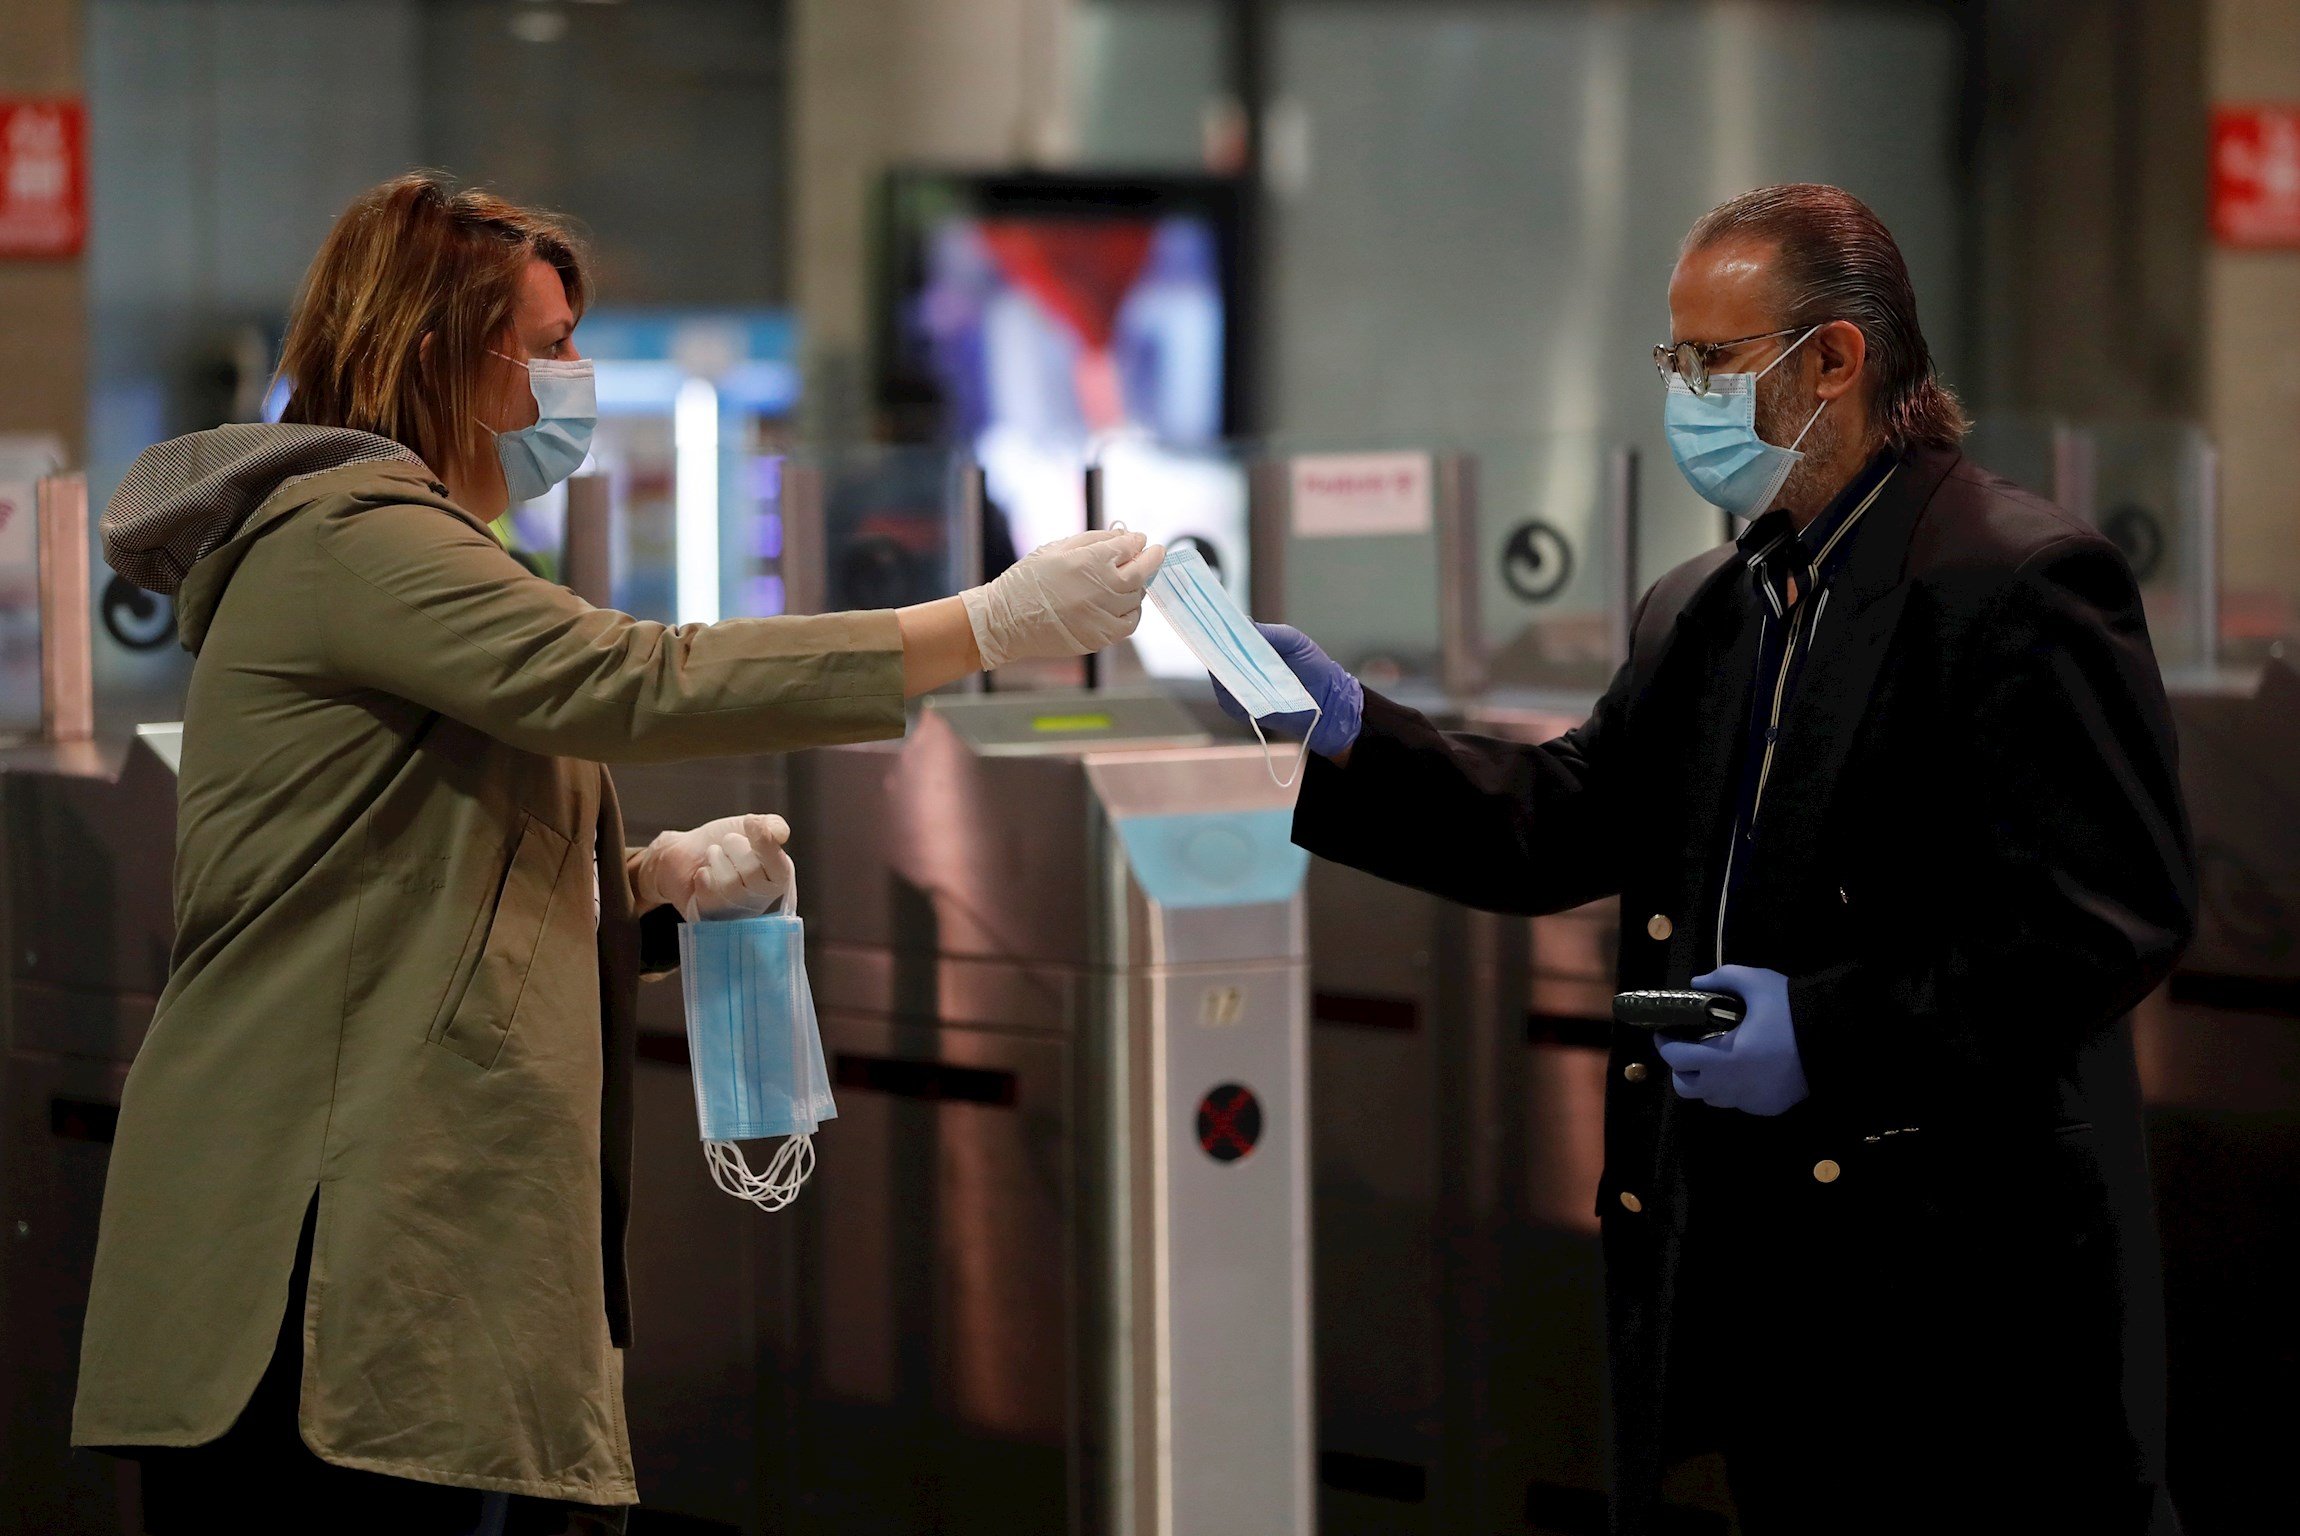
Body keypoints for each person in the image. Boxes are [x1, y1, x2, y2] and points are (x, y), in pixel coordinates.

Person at [73, 172, 1163, 1534]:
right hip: (306, 1259)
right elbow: (635, 681)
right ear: (436, 354)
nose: (581, 377)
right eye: (548, 346)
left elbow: (415, 868)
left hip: (373, 1246)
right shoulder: (354, 541)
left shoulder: (416, 551)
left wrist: (644, 891)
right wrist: (982, 626)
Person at [1230, 185, 2193, 1534]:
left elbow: (2104, 919)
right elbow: (1560, 819)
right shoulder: (1713, 604)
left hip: (1955, 1295)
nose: (1686, 396)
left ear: (1837, 360)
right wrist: (1346, 740)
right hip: (1740, 1270)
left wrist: (1830, 1030)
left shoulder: (2015, 581)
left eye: (1715, 361)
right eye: (1673, 362)